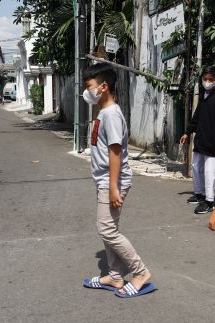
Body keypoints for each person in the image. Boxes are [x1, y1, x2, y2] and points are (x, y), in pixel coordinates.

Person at [81, 63, 156, 298]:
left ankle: (140, 272)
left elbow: (115, 152)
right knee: (108, 229)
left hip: (112, 182)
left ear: (104, 87)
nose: (87, 92)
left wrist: (113, 187)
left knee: (107, 229)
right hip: (105, 180)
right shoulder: (104, 112)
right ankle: (114, 277)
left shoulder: (111, 114)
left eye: (90, 87)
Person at [180, 65, 215, 214]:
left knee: (210, 172)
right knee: (196, 167)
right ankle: (199, 194)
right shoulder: (203, 96)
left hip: (213, 143)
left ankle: (209, 201)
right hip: (201, 140)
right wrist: (187, 132)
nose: (207, 81)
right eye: (205, 79)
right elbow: (197, 117)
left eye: (210, 79)